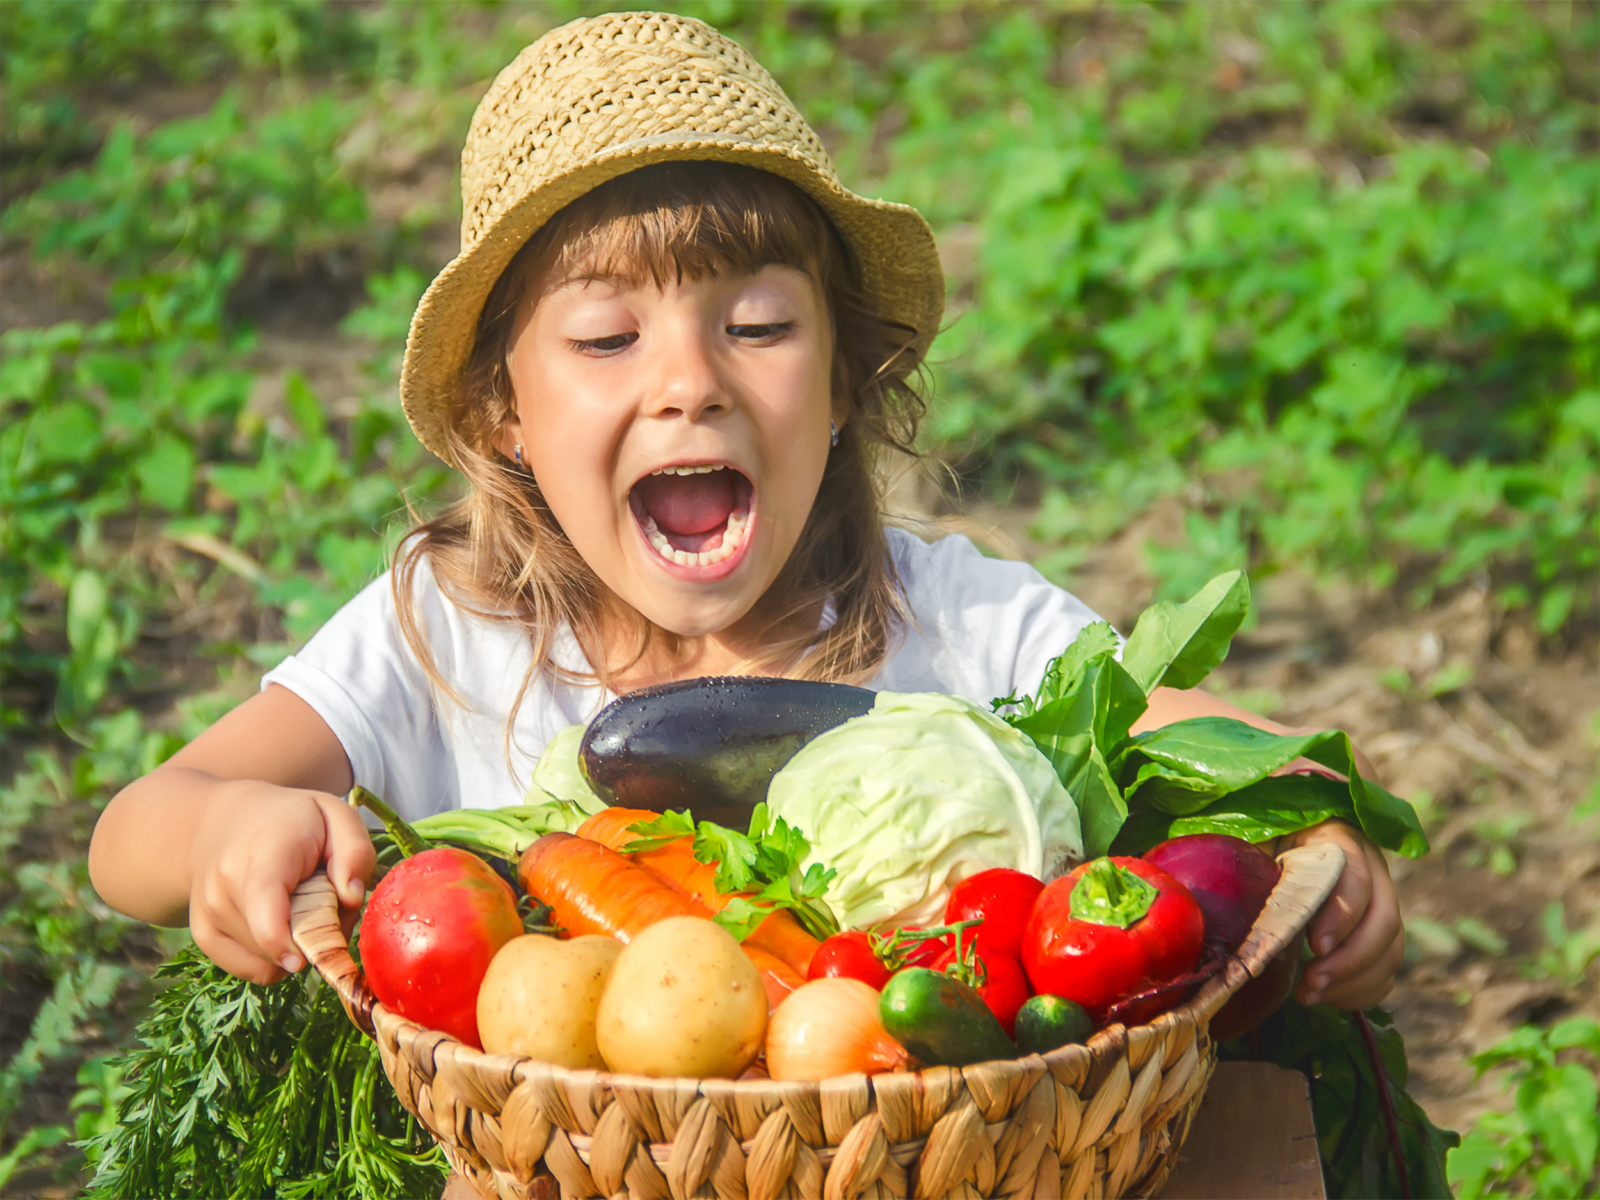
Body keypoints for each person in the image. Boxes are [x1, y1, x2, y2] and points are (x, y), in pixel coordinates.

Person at [88, 12, 1400, 1024]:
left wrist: (1318, 833)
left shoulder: (962, 625)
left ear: (839, 379)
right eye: (606, 338)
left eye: (759, 326)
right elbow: (133, 830)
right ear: (505, 414)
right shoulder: (450, 638)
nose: (690, 383)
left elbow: (1225, 756)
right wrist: (221, 831)